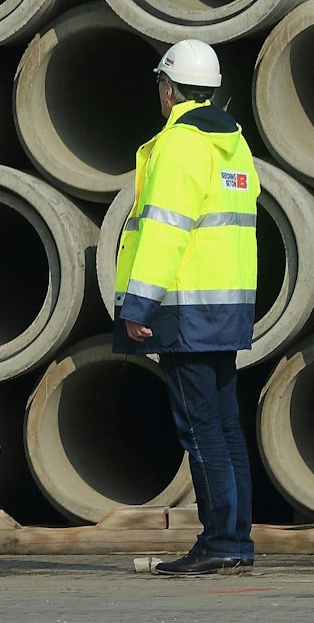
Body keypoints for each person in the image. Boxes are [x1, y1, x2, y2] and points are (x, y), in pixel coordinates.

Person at [112, 39, 260, 576]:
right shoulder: (234, 145)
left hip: (185, 308)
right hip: (227, 308)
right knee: (224, 427)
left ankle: (220, 543)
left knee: (201, 430)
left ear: (168, 88)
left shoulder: (179, 145)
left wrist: (138, 303)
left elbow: (164, 231)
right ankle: (235, 541)